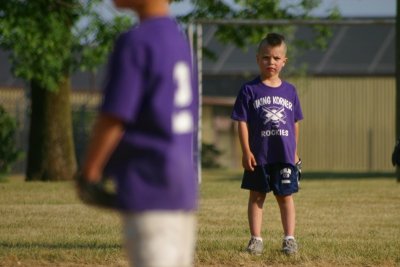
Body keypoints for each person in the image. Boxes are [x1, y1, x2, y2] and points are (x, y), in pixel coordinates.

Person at [79, 0, 198, 266]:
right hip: (180, 183)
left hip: (149, 180)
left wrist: (89, 172)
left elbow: (115, 116)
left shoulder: (137, 41)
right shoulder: (178, 40)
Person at [231, 33, 303, 255]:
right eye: (265, 57)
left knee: (285, 197)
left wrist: (294, 152)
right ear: (257, 59)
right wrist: (246, 151)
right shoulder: (249, 90)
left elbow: (294, 123)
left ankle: (289, 239)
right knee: (257, 196)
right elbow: (241, 122)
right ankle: (256, 239)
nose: (270, 62)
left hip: (283, 155)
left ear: (284, 61)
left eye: (276, 58)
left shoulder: (290, 91)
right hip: (259, 155)